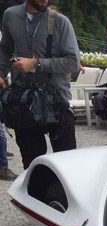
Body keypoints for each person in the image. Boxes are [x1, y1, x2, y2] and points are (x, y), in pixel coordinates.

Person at [0, 0, 80, 169]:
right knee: (32, 166)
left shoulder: (60, 21)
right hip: (25, 101)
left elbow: (73, 62)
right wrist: (1, 73)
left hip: (57, 101)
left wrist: (36, 63)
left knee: (67, 166)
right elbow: (5, 48)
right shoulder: (11, 15)